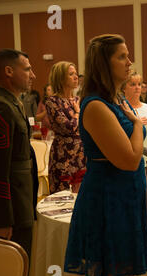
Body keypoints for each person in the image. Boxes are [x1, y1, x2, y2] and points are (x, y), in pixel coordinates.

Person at [64, 34, 147, 276]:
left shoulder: (117, 101)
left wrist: (145, 198)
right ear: (104, 62)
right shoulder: (96, 106)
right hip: (108, 199)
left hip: (127, 195)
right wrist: (138, 124)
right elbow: (130, 159)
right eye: (122, 56)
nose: (130, 62)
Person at [0, 49, 38, 262]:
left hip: (20, 204)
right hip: (10, 212)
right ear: (8, 71)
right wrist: (1, 219)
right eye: (27, 69)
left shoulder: (13, 104)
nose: (33, 75)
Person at [46, 61, 86, 193]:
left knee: (81, 197)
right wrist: (78, 112)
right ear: (61, 78)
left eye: (75, 73)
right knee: (62, 199)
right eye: (71, 74)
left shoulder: (77, 99)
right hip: (63, 156)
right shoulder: (52, 101)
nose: (76, 77)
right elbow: (69, 127)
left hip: (81, 155)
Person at [123, 72, 147, 162]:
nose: (137, 87)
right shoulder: (121, 110)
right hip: (131, 162)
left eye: (139, 84)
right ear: (124, 88)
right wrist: (136, 123)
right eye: (133, 84)